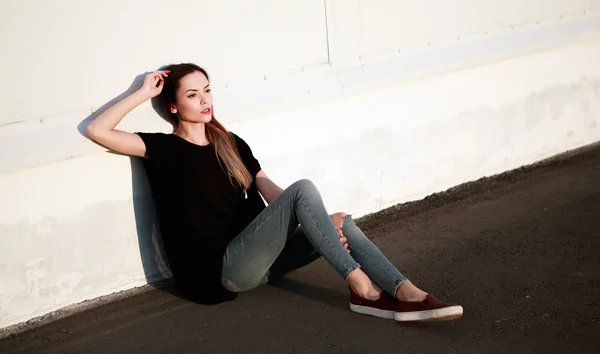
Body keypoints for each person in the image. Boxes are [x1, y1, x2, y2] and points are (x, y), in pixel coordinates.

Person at [86, 63, 463, 322]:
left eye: (208, 91)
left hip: (263, 261)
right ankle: (360, 286)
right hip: (225, 270)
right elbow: (97, 130)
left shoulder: (231, 143)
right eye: (192, 95)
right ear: (172, 105)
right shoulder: (164, 149)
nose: (205, 101)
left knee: (342, 222)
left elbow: (272, 193)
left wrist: (321, 226)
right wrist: (140, 93)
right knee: (305, 191)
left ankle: (405, 291)